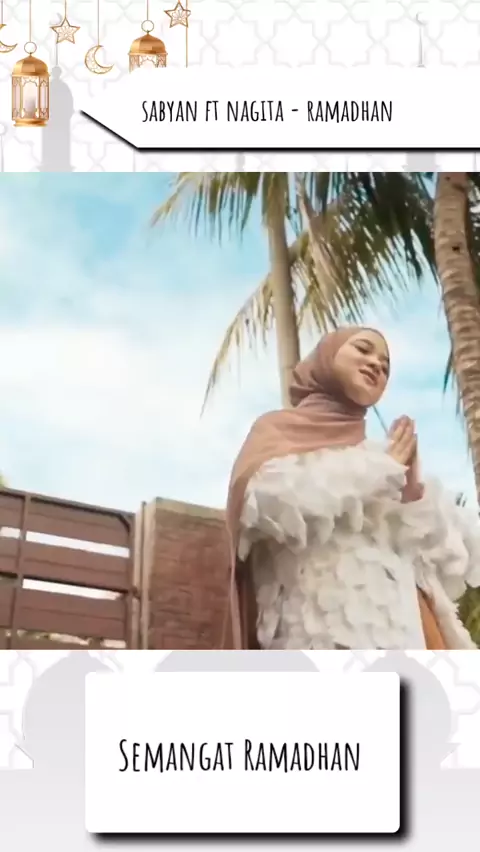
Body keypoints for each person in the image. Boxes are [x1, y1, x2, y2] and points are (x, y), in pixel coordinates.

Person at [225, 326, 480, 650]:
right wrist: (378, 473)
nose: (376, 365)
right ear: (326, 357)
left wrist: (413, 494)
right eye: (363, 349)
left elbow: (450, 559)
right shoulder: (276, 431)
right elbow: (262, 506)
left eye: (385, 366)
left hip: (407, 638)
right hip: (322, 639)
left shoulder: (381, 456)